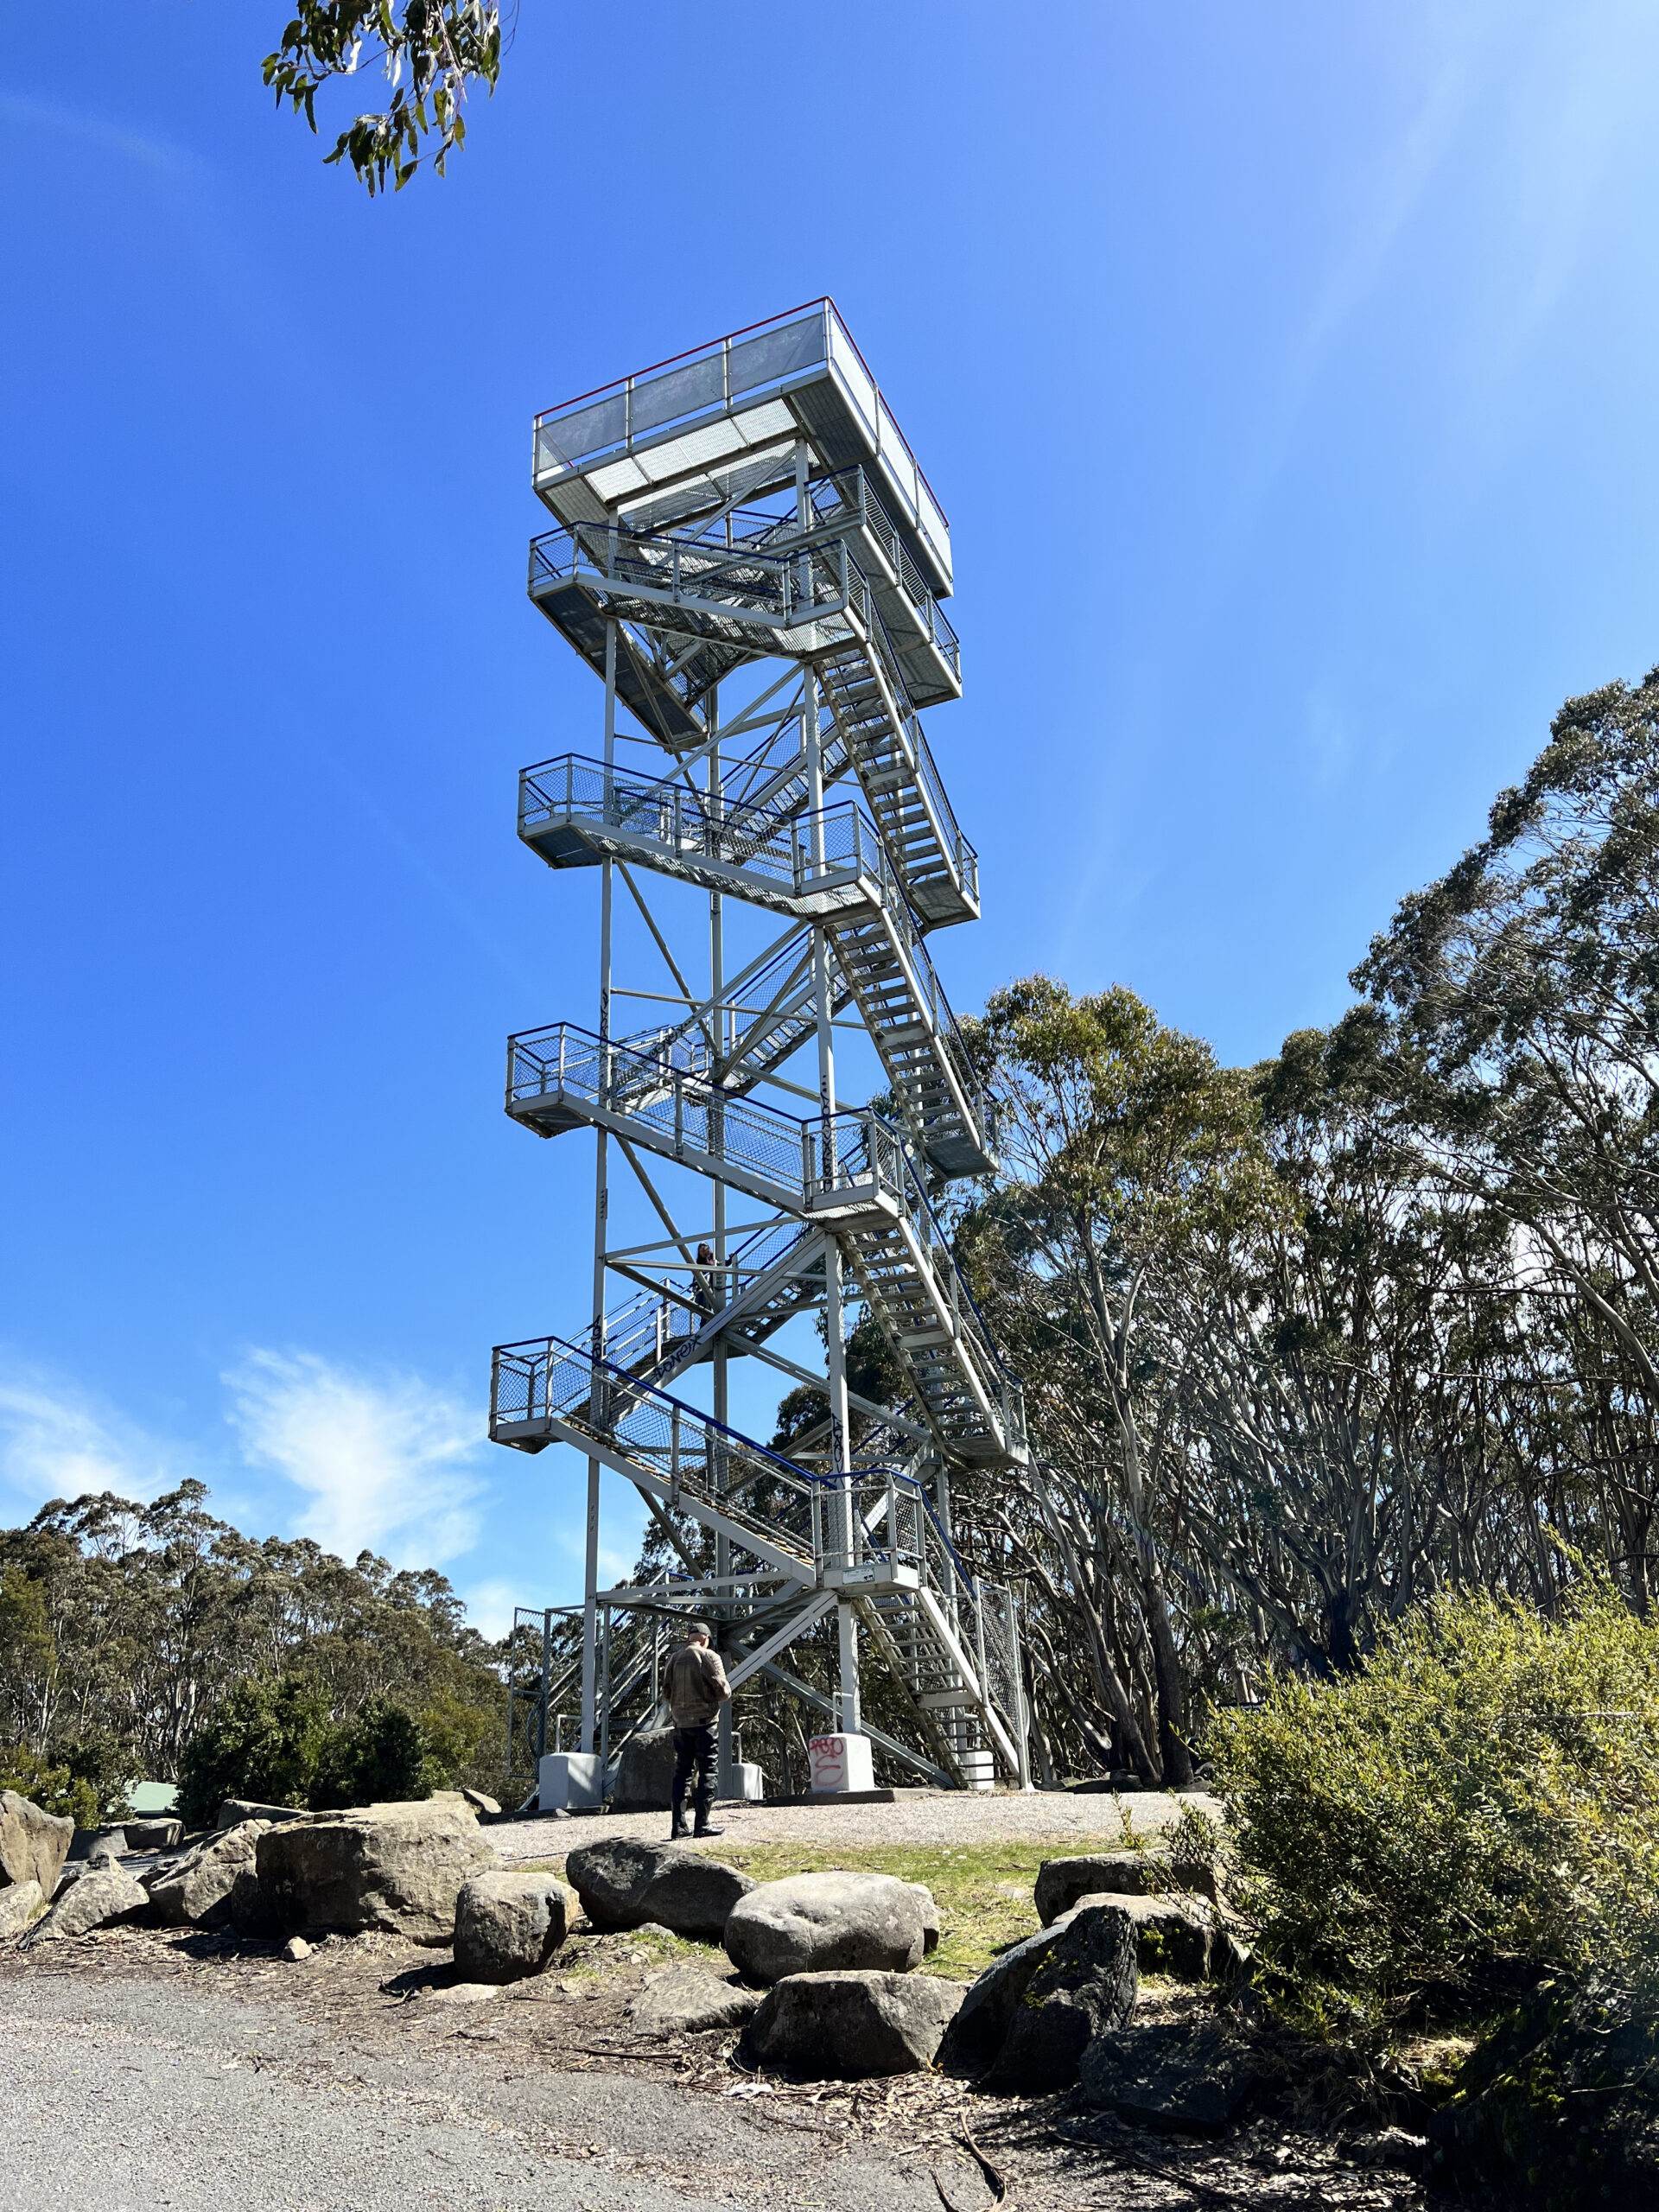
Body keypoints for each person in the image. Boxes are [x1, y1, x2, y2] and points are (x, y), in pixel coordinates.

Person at [664, 1618, 731, 1840]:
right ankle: (702, 1824)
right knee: (708, 1770)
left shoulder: (674, 1658)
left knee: (682, 1773)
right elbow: (723, 1691)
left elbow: (665, 1692)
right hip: (705, 1722)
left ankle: (678, 1826)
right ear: (705, 1639)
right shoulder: (709, 1656)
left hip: (681, 1724)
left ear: (689, 1639)